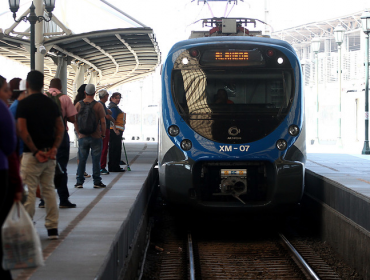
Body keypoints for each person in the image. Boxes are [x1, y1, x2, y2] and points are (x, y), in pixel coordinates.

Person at [16, 70, 64, 240]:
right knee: (49, 190)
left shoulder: (24, 104)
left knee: (29, 191)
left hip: (32, 155)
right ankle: (52, 229)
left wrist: (35, 151)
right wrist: (53, 149)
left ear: (27, 84)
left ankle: (27, 229)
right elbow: (60, 128)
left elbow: (22, 129)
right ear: (43, 84)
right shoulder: (51, 103)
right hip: (49, 155)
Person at [42, 78, 78, 208]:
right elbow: (73, 118)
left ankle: (43, 200)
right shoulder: (65, 98)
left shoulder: (42, 97)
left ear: (49, 86)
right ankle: (63, 200)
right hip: (61, 135)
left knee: (44, 167)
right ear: (61, 87)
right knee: (61, 167)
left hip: (44, 136)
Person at [0, 75, 22, 280]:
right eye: (6, 90)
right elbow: (9, 145)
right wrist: (17, 184)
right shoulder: (2, 109)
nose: (9, 94)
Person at [74, 84, 106, 188]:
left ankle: (79, 182)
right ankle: (96, 182)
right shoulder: (98, 105)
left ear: (85, 92)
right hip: (96, 136)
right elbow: (103, 122)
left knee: (82, 159)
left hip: (83, 136)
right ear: (95, 93)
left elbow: (74, 120)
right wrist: (103, 134)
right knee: (96, 160)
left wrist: (78, 133)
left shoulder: (78, 105)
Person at [98, 89, 118, 175]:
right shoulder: (101, 105)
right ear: (106, 96)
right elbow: (106, 116)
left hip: (98, 129)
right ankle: (101, 167)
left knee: (99, 148)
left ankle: (98, 166)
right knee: (104, 148)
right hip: (103, 129)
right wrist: (113, 119)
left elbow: (107, 112)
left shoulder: (99, 104)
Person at [73, 84, 91, 178]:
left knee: (81, 148)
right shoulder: (84, 103)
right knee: (83, 150)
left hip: (77, 128)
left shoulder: (76, 102)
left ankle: (80, 170)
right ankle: (80, 171)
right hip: (83, 128)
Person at [108, 92, 126, 172]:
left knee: (114, 149)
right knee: (115, 149)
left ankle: (114, 166)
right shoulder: (113, 108)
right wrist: (115, 130)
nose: (118, 99)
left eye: (119, 98)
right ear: (112, 98)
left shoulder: (113, 107)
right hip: (115, 132)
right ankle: (114, 167)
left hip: (115, 131)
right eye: (116, 98)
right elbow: (112, 120)